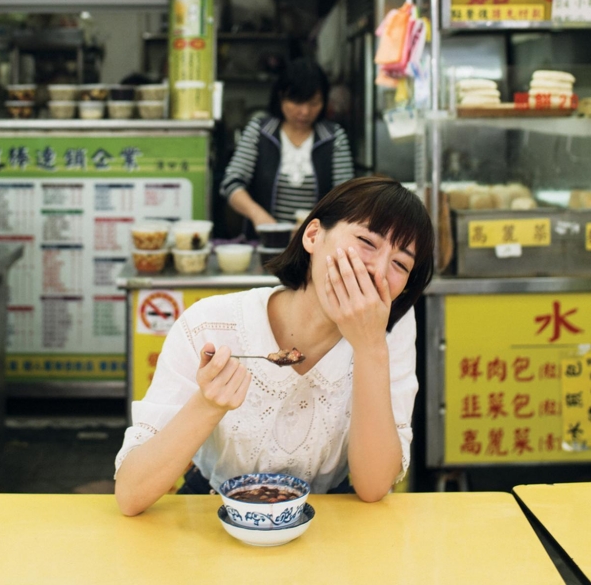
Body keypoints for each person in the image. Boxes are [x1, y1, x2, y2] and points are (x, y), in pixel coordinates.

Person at [115, 177, 434, 516]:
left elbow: (373, 486)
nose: (377, 272)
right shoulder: (210, 324)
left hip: (329, 519)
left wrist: (370, 349)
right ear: (313, 235)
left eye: (400, 264)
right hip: (211, 510)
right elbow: (131, 494)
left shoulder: (390, 333)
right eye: (367, 242)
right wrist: (207, 405)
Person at [219, 58, 354, 235]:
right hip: (264, 241)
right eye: (297, 102)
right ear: (281, 96)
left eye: (314, 103)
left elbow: (346, 197)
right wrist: (259, 216)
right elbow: (231, 183)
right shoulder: (260, 132)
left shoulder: (334, 137)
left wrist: (318, 228)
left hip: (315, 241)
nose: (305, 112)